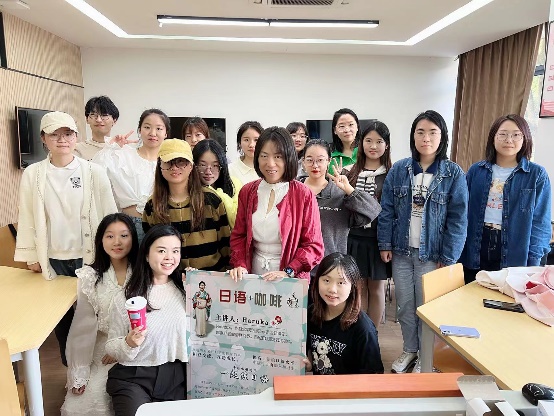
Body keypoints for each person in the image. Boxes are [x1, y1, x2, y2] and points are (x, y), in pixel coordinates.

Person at [14, 111, 118, 366]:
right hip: (53, 258)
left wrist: (114, 251)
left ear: (76, 136)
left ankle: (96, 370)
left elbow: (110, 215)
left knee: (94, 314)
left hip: (89, 256)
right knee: (61, 320)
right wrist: (31, 256)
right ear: (43, 138)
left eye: (68, 134)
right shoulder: (33, 174)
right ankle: (71, 370)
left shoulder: (94, 172)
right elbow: (26, 215)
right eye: (55, 134)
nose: (62, 140)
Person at [377, 110, 468, 373]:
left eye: (432, 132)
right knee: (405, 306)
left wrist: (449, 257)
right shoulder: (399, 169)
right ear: (413, 136)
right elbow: (387, 210)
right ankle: (409, 350)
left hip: (433, 255)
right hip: (402, 252)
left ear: (442, 137)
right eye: (420, 132)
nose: (426, 138)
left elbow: (458, 218)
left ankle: (426, 357)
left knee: (426, 308)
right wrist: (385, 244)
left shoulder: (453, 173)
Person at [105, 225, 188, 416]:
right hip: (133, 377)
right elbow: (111, 345)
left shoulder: (187, 291)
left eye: (175, 251)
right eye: (161, 251)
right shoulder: (127, 297)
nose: (169, 257)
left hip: (175, 377)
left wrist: (197, 282)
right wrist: (128, 343)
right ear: (146, 255)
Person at [61, 213, 139, 416]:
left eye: (124, 235)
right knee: (81, 405)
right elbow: (82, 328)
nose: (117, 242)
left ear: (133, 238)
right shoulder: (90, 276)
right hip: (102, 349)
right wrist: (79, 372)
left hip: (139, 347)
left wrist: (122, 347)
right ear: (100, 240)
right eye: (110, 236)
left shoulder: (144, 271)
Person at [461, 114, 551, 283]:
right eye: (502, 134)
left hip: (515, 249)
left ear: (525, 138)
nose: (509, 140)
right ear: (493, 138)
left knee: (506, 295)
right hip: (476, 244)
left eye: (516, 135)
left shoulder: (536, 175)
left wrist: (534, 262)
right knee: (472, 292)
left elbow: (540, 223)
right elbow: (462, 213)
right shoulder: (476, 171)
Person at [229, 126, 324, 282]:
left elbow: (313, 245)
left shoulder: (303, 194)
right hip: (252, 275)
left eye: (278, 156)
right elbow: (239, 236)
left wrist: (288, 271)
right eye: (264, 156)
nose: (270, 163)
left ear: (289, 157)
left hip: (289, 277)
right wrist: (240, 264)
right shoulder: (247, 192)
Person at [142, 139, 231, 271]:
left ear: (191, 166)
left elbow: (226, 244)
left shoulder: (211, 200)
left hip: (212, 277)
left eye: (181, 162)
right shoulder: (152, 206)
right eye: (168, 162)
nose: (174, 167)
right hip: (172, 279)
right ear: (160, 166)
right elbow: (150, 250)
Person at [299, 139, 380, 274]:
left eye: (320, 160)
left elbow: (373, 210)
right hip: (297, 268)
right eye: (310, 160)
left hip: (330, 269)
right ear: (303, 162)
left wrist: (348, 189)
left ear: (329, 161)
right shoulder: (293, 190)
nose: (315, 165)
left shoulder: (339, 193)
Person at [93, 109, 170, 243]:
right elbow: (96, 169)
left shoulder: (169, 163)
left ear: (166, 133)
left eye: (159, 128)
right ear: (139, 130)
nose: (152, 133)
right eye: (147, 127)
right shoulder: (124, 155)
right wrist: (112, 147)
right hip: (128, 224)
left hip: (160, 224)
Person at [345, 121, 392, 328]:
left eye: (379, 141)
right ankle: (360, 333)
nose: (373, 146)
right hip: (353, 238)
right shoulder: (350, 172)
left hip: (378, 241)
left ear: (386, 145)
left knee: (377, 288)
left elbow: (391, 212)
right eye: (368, 141)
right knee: (358, 288)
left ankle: (373, 334)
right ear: (361, 143)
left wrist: (387, 243)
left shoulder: (391, 174)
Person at [306, 253, 384, 375]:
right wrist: (309, 365)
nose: (332, 289)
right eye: (326, 280)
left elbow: (374, 375)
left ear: (353, 286)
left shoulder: (364, 329)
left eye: (341, 283)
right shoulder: (310, 314)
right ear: (317, 282)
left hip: (352, 387)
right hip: (320, 386)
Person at [192, 139, 242, 228]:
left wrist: (217, 193)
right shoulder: (188, 188)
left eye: (215, 165)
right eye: (202, 165)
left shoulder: (234, 185)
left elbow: (238, 221)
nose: (208, 172)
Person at [75, 96, 119, 160]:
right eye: (93, 115)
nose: (99, 120)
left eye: (104, 115)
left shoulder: (119, 149)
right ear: (87, 119)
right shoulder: (77, 149)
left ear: (114, 120)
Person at [329, 108, 361, 174]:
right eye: (342, 126)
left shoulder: (366, 151)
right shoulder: (329, 155)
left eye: (351, 125)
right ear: (335, 130)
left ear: (357, 127)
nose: (347, 130)